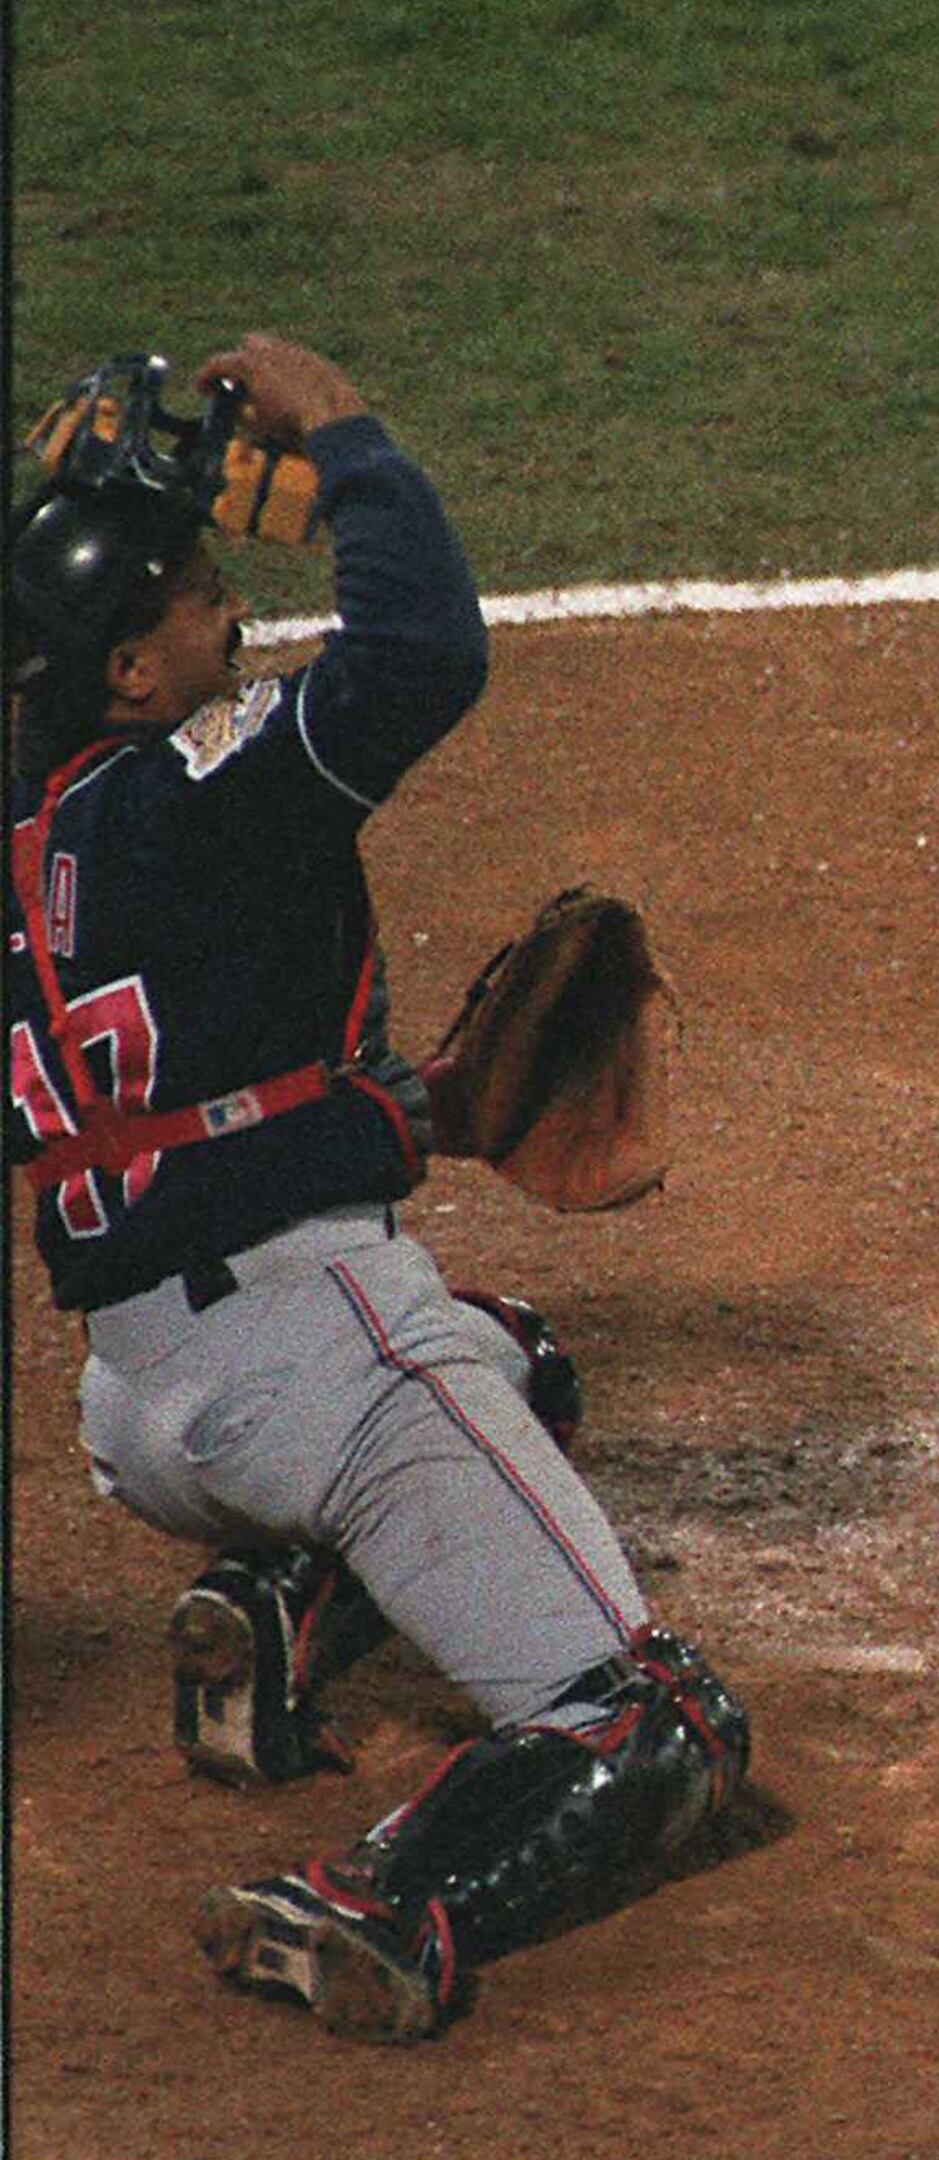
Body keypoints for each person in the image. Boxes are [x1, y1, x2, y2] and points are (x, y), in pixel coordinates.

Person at [5, 337, 748, 2042]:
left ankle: (278, 1612)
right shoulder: (201, 785)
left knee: (524, 1362)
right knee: (651, 1723)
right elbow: (420, 653)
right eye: (199, 602)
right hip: (312, 1359)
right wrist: (346, 436)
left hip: (140, 1412)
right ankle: (376, 1899)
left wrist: (411, 1115)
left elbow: (153, 1123)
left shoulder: (36, 844)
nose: (232, 623)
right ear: (130, 668)